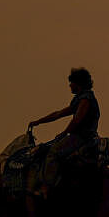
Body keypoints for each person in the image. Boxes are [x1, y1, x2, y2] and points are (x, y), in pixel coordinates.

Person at [28, 67, 101, 196]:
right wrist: (38, 121)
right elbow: (59, 114)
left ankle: (46, 187)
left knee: (53, 153)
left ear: (77, 83)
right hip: (80, 136)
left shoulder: (85, 100)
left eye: (71, 82)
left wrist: (64, 133)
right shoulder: (81, 98)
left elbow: (77, 120)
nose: (69, 85)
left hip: (81, 137)